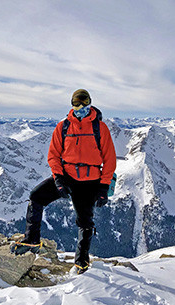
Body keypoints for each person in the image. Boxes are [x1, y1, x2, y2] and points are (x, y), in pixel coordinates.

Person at [11, 89, 116, 274]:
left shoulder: (100, 128)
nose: (81, 107)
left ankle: (81, 262)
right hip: (67, 176)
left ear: (90, 103)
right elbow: (53, 156)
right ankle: (31, 239)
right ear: (71, 104)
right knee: (36, 196)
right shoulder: (64, 127)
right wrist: (58, 179)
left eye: (84, 104)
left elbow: (109, 160)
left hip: (90, 181)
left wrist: (103, 186)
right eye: (77, 104)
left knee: (85, 221)